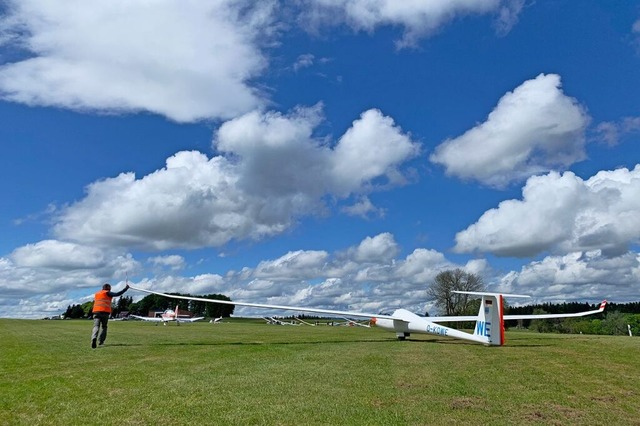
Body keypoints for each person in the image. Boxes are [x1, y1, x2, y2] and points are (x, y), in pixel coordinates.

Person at [91, 282, 129, 348]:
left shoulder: (97, 294)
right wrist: (125, 289)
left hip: (96, 312)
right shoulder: (107, 293)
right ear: (108, 288)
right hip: (105, 312)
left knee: (96, 326)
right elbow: (117, 294)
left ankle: (94, 338)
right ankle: (101, 341)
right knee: (104, 327)